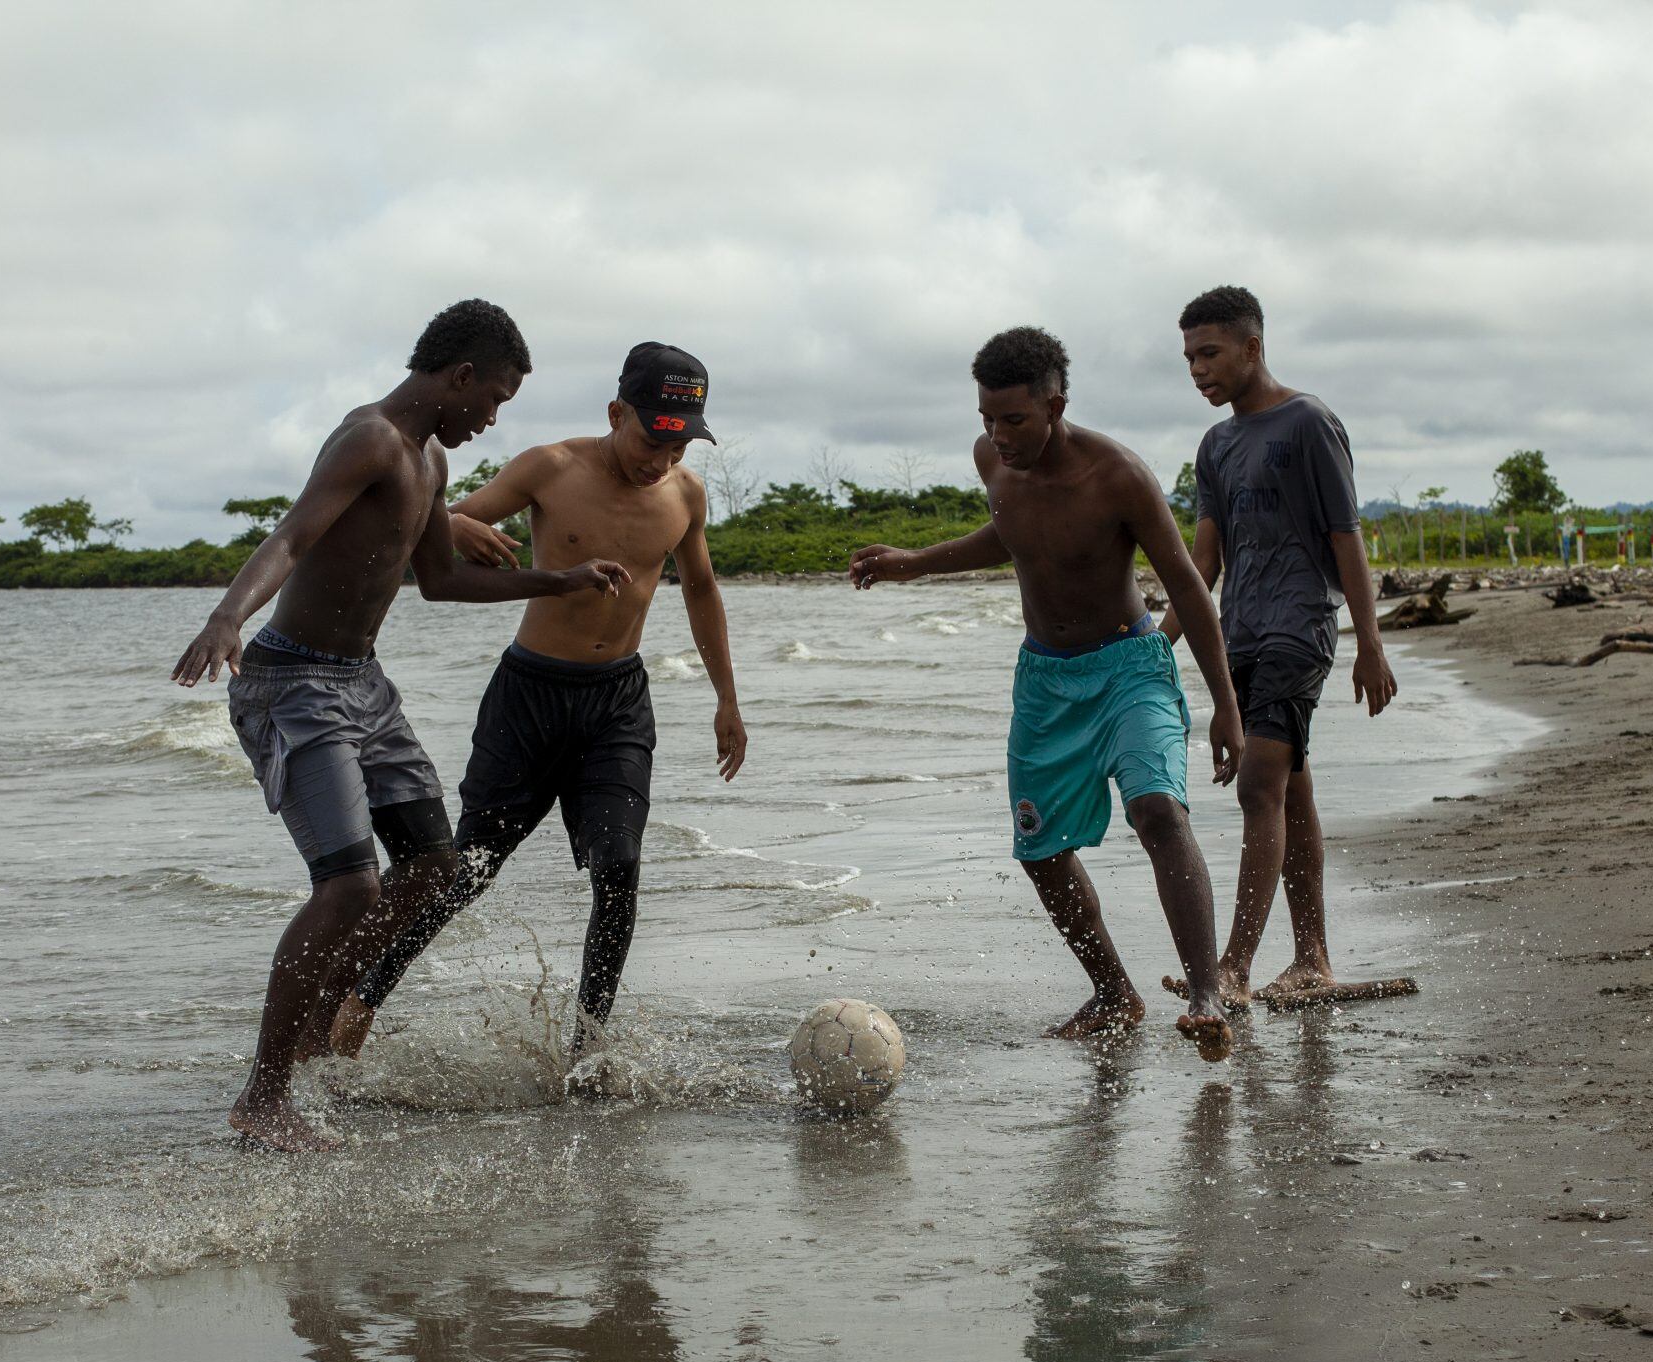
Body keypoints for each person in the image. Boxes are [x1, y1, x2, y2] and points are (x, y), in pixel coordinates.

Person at [170, 299, 629, 1152]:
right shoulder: (372, 439)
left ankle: (315, 1025)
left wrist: (555, 582)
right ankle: (263, 1096)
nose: (492, 421)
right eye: (492, 400)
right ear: (458, 378)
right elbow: (294, 536)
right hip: (294, 683)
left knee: (432, 870)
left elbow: (443, 581)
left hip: (362, 684)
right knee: (349, 885)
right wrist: (228, 614)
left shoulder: (430, 464)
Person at [331, 342, 746, 1060]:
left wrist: (726, 700)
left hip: (616, 704)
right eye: (652, 439)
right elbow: (443, 530)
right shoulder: (549, 468)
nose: (663, 462)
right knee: (468, 870)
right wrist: (454, 518)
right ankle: (359, 1001)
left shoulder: (685, 496)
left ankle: (588, 1049)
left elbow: (702, 589)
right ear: (618, 413)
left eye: (681, 446)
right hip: (528, 698)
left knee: (619, 867)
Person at [847, 327, 1243, 1059]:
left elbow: (1188, 582)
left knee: (1158, 810)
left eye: (1014, 420)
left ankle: (1204, 995)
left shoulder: (1118, 474)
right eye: (986, 420)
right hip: (1045, 680)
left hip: (1130, 666)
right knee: (1040, 851)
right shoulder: (992, 463)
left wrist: (1225, 703)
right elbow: (1011, 534)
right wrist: (913, 564)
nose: (997, 436)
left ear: (1055, 405)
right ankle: (1113, 991)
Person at [1165, 285, 1398, 1011]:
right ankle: (1311, 960)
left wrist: (1370, 643)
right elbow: (1201, 566)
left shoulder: (1308, 423)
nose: (1199, 369)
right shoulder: (1216, 445)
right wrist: (1152, 645)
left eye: (1210, 353)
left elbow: (1345, 538)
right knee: (1290, 790)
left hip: (1301, 628)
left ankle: (1230, 968)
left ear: (1253, 348)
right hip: (1241, 633)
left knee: (1257, 786)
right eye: (1189, 358)